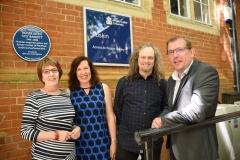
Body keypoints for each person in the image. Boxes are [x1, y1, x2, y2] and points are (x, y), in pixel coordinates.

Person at [151, 35, 219, 160]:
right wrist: (160, 118)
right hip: (176, 147)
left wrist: (164, 120)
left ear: (191, 52)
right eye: (171, 52)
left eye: (179, 50)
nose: (175, 55)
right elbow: (169, 106)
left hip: (198, 149)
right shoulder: (171, 80)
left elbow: (196, 112)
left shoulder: (205, 72)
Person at [114, 42, 167, 160]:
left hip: (152, 141)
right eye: (143, 57)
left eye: (150, 58)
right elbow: (118, 109)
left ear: (155, 60)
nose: (146, 61)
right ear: (137, 59)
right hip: (127, 140)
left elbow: (165, 108)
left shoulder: (162, 84)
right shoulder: (124, 82)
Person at [21, 57, 81, 160]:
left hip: (69, 155)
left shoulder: (66, 96)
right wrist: (56, 135)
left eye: (54, 70)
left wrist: (76, 128)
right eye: (46, 71)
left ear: (59, 73)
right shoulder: (34, 98)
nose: (51, 74)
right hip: (45, 156)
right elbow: (26, 132)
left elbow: (67, 123)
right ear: (42, 77)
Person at [66, 56, 117, 160]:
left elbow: (110, 117)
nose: (83, 72)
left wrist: (113, 141)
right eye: (79, 69)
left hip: (102, 143)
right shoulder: (69, 92)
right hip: (80, 145)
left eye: (86, 68)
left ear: (91, 70)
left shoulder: (103, 88)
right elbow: (68, 121)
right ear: (74, 73)